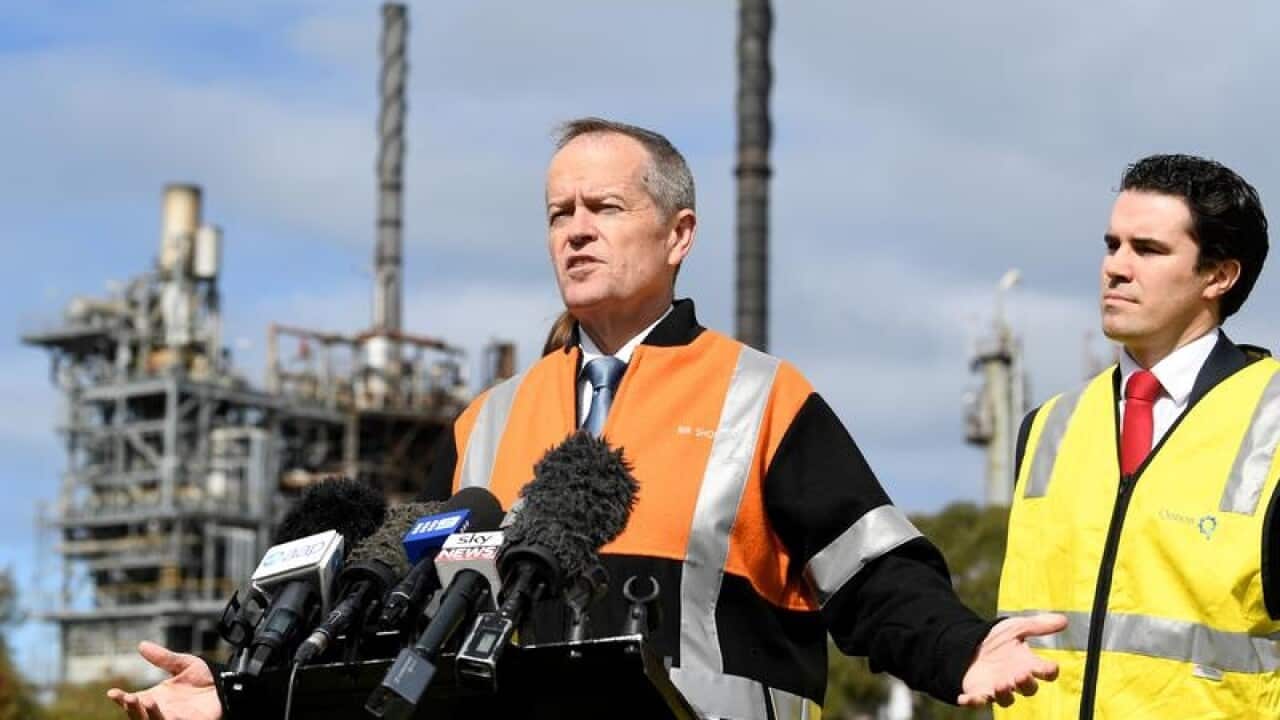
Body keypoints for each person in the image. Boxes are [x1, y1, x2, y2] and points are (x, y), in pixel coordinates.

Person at [109, 118, 1064, 719]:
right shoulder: (487, 420)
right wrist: (239, 698)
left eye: (604, 206)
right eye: (559, 211)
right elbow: (410, 638)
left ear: (678, 234)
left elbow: (874, 578)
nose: (575, 228)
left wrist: (961, 646)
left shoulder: (758, 393)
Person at [996, 154, 1277, 718]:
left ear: (1219, 276)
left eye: (1147, 250)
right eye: (1112, 245)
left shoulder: (1272, 423)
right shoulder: (1047, 426)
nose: (1116, 268)